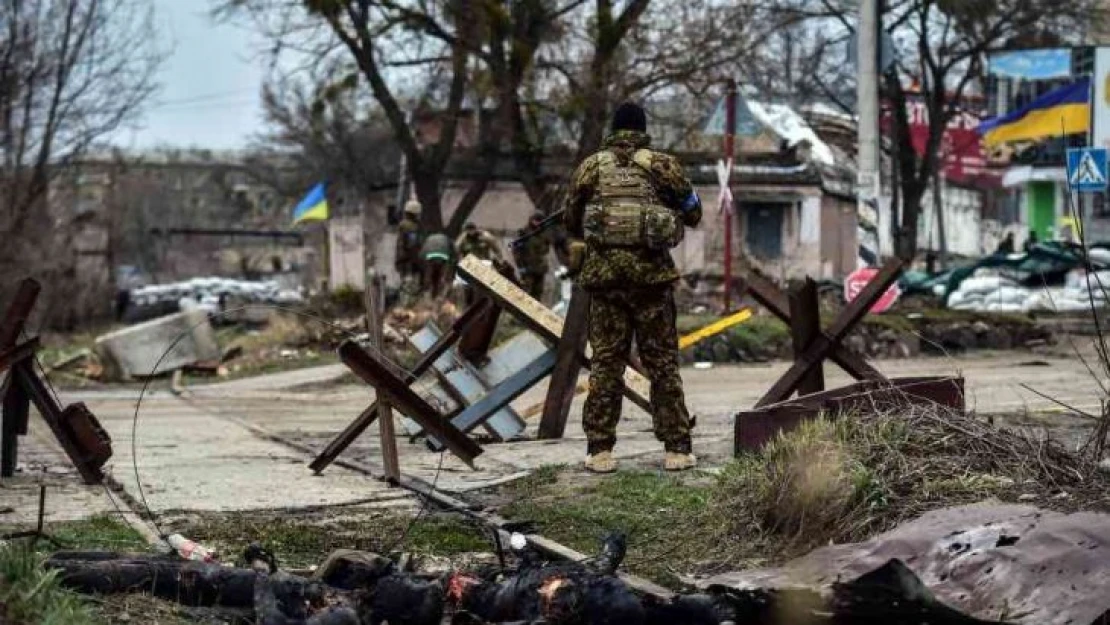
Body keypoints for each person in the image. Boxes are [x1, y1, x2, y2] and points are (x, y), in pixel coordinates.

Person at [563, 101, 702, 474]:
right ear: (642, 129)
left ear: (612, 129)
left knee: (607, 363)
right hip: (651, 283)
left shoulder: (591, 167)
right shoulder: (662, 165)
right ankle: (677, 448)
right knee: (662, 363)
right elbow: (693, 212)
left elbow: (571, 219)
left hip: (606, 282)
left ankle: (599, 451)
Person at [513, 211, 556, 302]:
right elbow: (516, 252)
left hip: (540, 269)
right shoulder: (524, 233)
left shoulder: (543, 233)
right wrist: (521, 267)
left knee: (538, 295)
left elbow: (546, 249)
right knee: (526, 294)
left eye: (540, 221)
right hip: (528, 269)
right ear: (531, 220)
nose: (537, 223)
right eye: (536, 220)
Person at [396, 200, 424, 304]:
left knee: (405, 287)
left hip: (403, 261)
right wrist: (419, 263)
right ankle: (408, 308)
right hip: (410, 262)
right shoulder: (412, 227)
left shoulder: (402, 225)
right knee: (411, 288)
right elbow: (412, 246)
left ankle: (405, 307)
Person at [419, 231, 455, 299]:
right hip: (443, 258)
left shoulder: (429, 238)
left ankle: (427, 295)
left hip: (430, 257)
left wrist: (422, 261)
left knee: (429, 275)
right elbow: (453, 250)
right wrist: (452, 260)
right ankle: (440, 296)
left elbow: (422, 252)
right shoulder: (446, 238)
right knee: (442, 276)